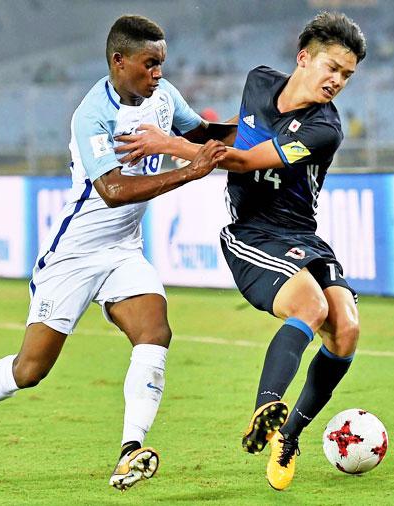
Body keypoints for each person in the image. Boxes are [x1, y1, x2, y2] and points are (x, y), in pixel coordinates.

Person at [0, 15, 227, 491]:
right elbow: (113, 190)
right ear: (118, 61)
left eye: (162, 63)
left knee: (155, 331)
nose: (158, 74)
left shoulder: (164, 98)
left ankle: (130, 451)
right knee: (30, 370)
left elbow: (205, 135)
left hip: (123, 250)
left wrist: (265, 128)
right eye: (149, 64)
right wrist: (190, 172)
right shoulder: (92, 114)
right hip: (75, 255)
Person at [114, 11, 366, 491]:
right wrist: (181, 135)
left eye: (347, 76)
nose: (337, 81)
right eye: (331, 68)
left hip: (301, 234)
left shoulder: (324, 128)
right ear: (303, 59)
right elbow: (234, 137)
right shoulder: (257, 83)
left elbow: (247, 160)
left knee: (347, 330)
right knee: (311, 307)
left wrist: (168, 144)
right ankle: (265, 405)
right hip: (252, 234)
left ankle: (286, 435)